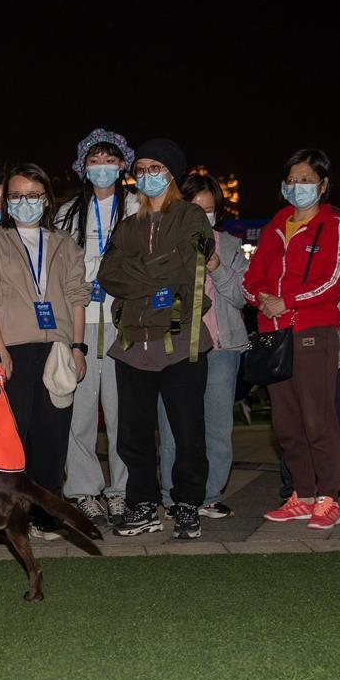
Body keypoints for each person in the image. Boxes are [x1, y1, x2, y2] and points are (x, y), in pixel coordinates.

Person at [97, 139, 213, 540]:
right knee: (133, 434)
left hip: (181, 340)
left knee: (187, 431)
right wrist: (154, 275)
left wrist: (137, 270)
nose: (147, 175)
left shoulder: (192, 216)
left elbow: (188, 266)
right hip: (133, 343)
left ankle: (187, 504)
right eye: (141, 168)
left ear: (172, 173)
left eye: (155, 168)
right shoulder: (128, 226)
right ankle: (143, 504)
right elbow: (107, 274)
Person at [0, 162, 90, 535]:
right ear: (7, 201)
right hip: (13, 349)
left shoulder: (64, 243)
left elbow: (77, 297)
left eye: (34, 195)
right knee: (13, 435)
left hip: (57, 350)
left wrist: (78, 347)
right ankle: (8, 510)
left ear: (47, 200)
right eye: (17, 196)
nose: (25, 203)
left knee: (52, 435)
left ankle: (47, 510)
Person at [243, 148, 340, 530]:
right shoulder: (275, 225)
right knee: (286, 424)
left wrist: (287, 301)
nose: (297, 186)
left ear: (323, 184)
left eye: (306, 179)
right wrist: (261, 299)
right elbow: (251, 278)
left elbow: (334, 279)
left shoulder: (334, 225)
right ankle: (303, 496)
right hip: (273, 335)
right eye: (291, 180)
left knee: (317, 419)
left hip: (312, 331)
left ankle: (329, 497)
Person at [54, 128, 137, 527]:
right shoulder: (68, 212)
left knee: (124, 412)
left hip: (125, 322)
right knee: (80, 413)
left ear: (123, 164)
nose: (102, 167)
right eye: (94, 160)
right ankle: (83, 490)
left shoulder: (138, 207)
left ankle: (122, 491)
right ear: (82, 166)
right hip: (81, 321)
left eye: (109, 160)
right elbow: (60, 266)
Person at [157, 172, 249, 519]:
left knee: (217, 427)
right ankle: (172, 496)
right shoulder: (163, 242)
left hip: (221, 349)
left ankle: (209, 494)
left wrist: (216, 266)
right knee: (172, 427)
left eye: (209, 210)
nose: (203, 216)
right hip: (176, 347)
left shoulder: (230, 245)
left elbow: (241, 296)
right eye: (195, 209)